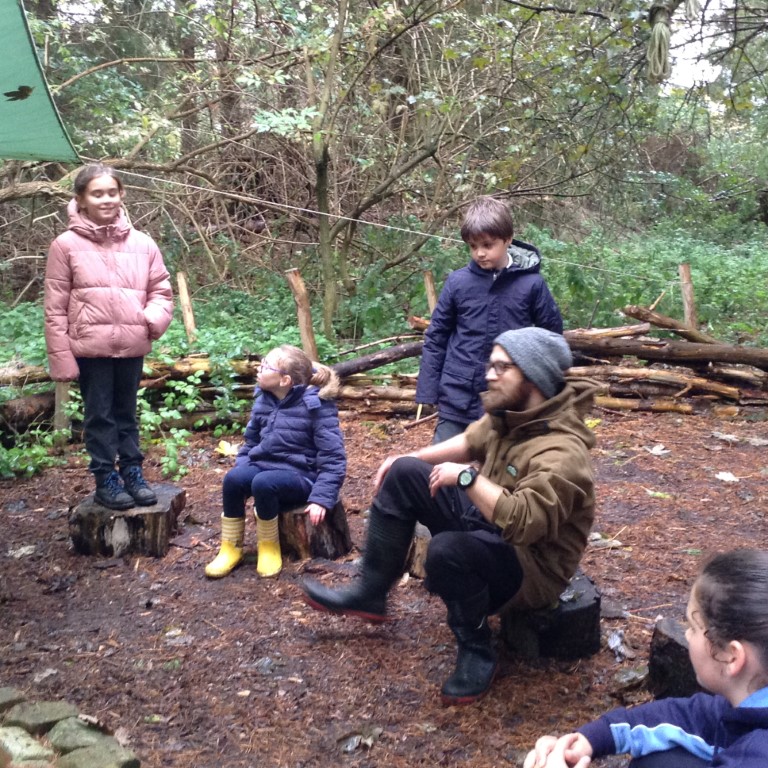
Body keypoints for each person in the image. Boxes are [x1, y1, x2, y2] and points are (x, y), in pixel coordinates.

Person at [302, 327, 596, 705]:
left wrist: (468, 478)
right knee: (404, 473)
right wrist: (408, 457)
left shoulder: (562, 453)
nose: (489, 375)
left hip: (531, 566)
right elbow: (470, 441)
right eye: (490, 365)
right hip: (491, 527)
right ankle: (371, 594)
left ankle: (477, 648)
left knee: (446, 550)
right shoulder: (512, 414)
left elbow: (524, 522)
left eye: (501, 367)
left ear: (533, 375)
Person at [524, 549, 768, 768]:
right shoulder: (748, 706)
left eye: (694, 628)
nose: (686, 634)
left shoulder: (755, 757)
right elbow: (687, 716)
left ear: (731, 656)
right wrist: (591, 738)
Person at [44, 164, 173, 511]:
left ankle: (132, 473)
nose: (106, 200)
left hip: (131, 345)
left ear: (122, 195)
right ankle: (105, 479)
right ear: (81, 199)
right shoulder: (65, 246)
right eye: (97, 194)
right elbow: (54, 307)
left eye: (112, 193)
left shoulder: (143, 243)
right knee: (99, 416)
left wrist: (149, 320)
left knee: (126, 414)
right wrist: (61, 357)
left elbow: (161, 291)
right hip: (90, 348)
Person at [416, 196, 563, 444]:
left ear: (508, 239)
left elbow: (551, 337)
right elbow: (436, 337)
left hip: (509, 398)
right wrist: (428, 390)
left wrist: (544, 389)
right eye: (473, 246)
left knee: (504, 463)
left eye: (487, 245)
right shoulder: (458, 282)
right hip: (458, 394)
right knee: (440, 461)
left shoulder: (532, 285)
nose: (480, 253)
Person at [206, 345, 347, 580]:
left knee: (264, 483)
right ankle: (231, 547)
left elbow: (333, 457)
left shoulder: (317, 405)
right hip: (266, 465)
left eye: (265, 366)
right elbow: (251, 440)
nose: (258, 369)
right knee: (233, 480)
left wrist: (322, 497)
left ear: (285, 380)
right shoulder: (264, 399)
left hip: (302, 474)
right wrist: (243, 466)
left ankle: (269, 547)